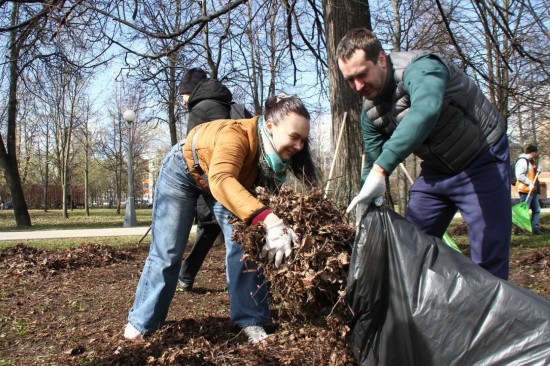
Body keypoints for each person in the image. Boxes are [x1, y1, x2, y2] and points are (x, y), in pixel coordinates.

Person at [124, 93, 318, 343]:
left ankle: (251, 319)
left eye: (303, 140)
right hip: (184, 170)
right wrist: (270, 220)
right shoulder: (235, 135)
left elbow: (240, 192)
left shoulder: (272, 161)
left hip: (223, 181)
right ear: (270, 126)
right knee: (168, 250)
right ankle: (142, 321)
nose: (299, 147)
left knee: (244, 245)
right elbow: (222, 179)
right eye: (294, 137)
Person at [337, 28, 511, 280]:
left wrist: (382, 168)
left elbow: (426, 110)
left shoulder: (421, 68)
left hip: (482, 160)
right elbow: (373, 162)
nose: (358, 86)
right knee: (410, 245)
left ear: (382, 60)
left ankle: (493, 316)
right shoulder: (370, 112)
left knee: (487, 256)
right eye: (350, 80)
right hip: (436, 172)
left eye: (362, 74)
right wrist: (364, 204)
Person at [178, 67, 252, 291]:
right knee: (226, 233)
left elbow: (195, 152)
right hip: (239, 180)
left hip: (214, 182)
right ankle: (187, 276)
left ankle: (237, 287)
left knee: (227, 235)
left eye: (182, 93)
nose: (181, 99)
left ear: (191, 91)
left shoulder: (200, 110)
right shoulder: (233, 107)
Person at [515, 144, 541, 235]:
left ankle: (535, 228)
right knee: (523, 211)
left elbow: (532, 175)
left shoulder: (531, 162)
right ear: (532, 152)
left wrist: (537, 171)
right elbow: (519, 175)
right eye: (535, 152)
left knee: (537, 210)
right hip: (525, 190)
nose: (536, 154)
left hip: (531, 190)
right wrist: (530, 183)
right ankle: (519, 230)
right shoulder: (523, 161)